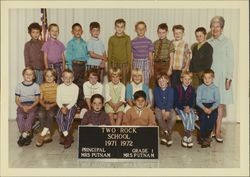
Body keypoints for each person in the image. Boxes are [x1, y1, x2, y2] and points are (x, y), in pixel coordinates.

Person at [207, 16, 234, 143]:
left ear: (222, 28)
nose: (215, 28)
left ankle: (217, 131)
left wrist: (229, 78)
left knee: (220, 105)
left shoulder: (227, 41)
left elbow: (230, 61)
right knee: (211, 104)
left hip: (222, 77)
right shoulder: (209, 42)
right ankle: (212, 130)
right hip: (210, 77)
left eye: (217, 26)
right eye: (213, 26)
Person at [65, 23, 89, 110]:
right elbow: (68, 56)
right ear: (72, 32)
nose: (78, 32)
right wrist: (71, 69)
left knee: (81, 85)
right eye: (76, 30)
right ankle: (72, 103)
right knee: (73, 85)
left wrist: (86, 67)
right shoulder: (70, 43)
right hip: (74, 66)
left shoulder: (84, 43)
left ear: (82, 31)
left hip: (82, 65)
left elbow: (87, 56)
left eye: (79, 30)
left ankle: (80, 103)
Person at [15, 67, 40, 146]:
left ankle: (24, 136)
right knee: (19, 116)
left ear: (33, 76)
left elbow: (37, 100)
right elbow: (17, 100)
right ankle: (25, 134)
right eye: (26, 74)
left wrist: (30, 107)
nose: (28, 76)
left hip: (32, 105)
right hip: (22, 105)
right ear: (23, 75)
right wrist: (22, 107)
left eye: (31, 74)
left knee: (31, 116)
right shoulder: (19, 86)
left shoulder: (36, 86)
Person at [196, 69, 220, 148]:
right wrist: (204, 108)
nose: (207, 80)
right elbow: (198, 101)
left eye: (209, 78)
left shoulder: (215, 89)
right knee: (203, 118)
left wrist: (211, 109)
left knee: (213, 118)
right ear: (202, 78)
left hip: (212, 106)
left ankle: (207, 134)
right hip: (202, 106)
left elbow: (217, 102)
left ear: (213, 78)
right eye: (205, 78)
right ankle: (203, 138)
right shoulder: (200, 88)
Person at [56, 69, 79, 149]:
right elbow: (58, 99)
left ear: (73, 78)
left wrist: (67, 107)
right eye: (66, 77)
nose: (68, 79)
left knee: (68, 118)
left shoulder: (75, 87)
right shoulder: (59, 87)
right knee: (59, 117)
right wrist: (62, 107)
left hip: (72, 105)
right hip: (62, 105)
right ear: (62, 79)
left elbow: (74, 100)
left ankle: (66, 136)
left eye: (70, 77)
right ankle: (68, 136)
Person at [36, 68, 58, 147]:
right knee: (40, 114)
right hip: (44, 104)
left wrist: (51, 105)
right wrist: (45, 105)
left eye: (51, 76)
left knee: (51, 114)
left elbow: (59, 100)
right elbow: (40, 99)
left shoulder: (57, 86)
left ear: (55, 77)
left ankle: (42, 135)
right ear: (44, 77)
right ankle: (47, 133)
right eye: (47, 76)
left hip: (54, 104)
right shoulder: (42, 86)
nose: (49, 78)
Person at [174, 71, 196, 148]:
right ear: (181, 79)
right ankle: (188, 135)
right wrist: (183, 108)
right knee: (184, 116)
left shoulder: (192, 89)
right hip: (179, 107)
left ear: (191, 80)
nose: (187, 81)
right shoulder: (177, 88)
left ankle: (186, 136)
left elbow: (192, 101)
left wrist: (189, 107)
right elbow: (176, 101)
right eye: (185, 79)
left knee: (191, 114)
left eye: (189, 79)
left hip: (188, 107)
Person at [154, 72, 176, 146]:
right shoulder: (156, 90)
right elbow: (157, 101)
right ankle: (168, 134)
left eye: (163, 80)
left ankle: (164, 134)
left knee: (173, 117)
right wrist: (163, 109)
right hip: (159, 107)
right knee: (159, 117)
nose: (161, 82)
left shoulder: (171, 90)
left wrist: (167, 110)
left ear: (167, 80)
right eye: (159, 81)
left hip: (169, 107)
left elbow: (170, 100)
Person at [108, 18, 131, 84]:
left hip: (124, 64)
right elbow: (109, 54)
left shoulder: (127, 38)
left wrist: (128, 65)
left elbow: (129, 53)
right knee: (113, 83)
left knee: (124, 83)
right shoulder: (111, 39)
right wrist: (109, 67)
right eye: (117, 26)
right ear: (115, 27)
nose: (119, 29)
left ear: (124, 28)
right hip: (114, 64)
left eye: (122, 27)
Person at [131, 21, 154, 86]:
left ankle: (145, 95)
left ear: (145, 30)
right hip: (136, 63)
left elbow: (150, 57)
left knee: (145, 82)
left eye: (143, 29)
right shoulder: (133, 42)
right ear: (135, 30)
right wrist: (131, 68)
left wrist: (151, 69)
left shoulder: (149, 41)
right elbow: (132, 57)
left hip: (146, 63)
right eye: (139, 29)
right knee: (136, 82)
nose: (141, 30)